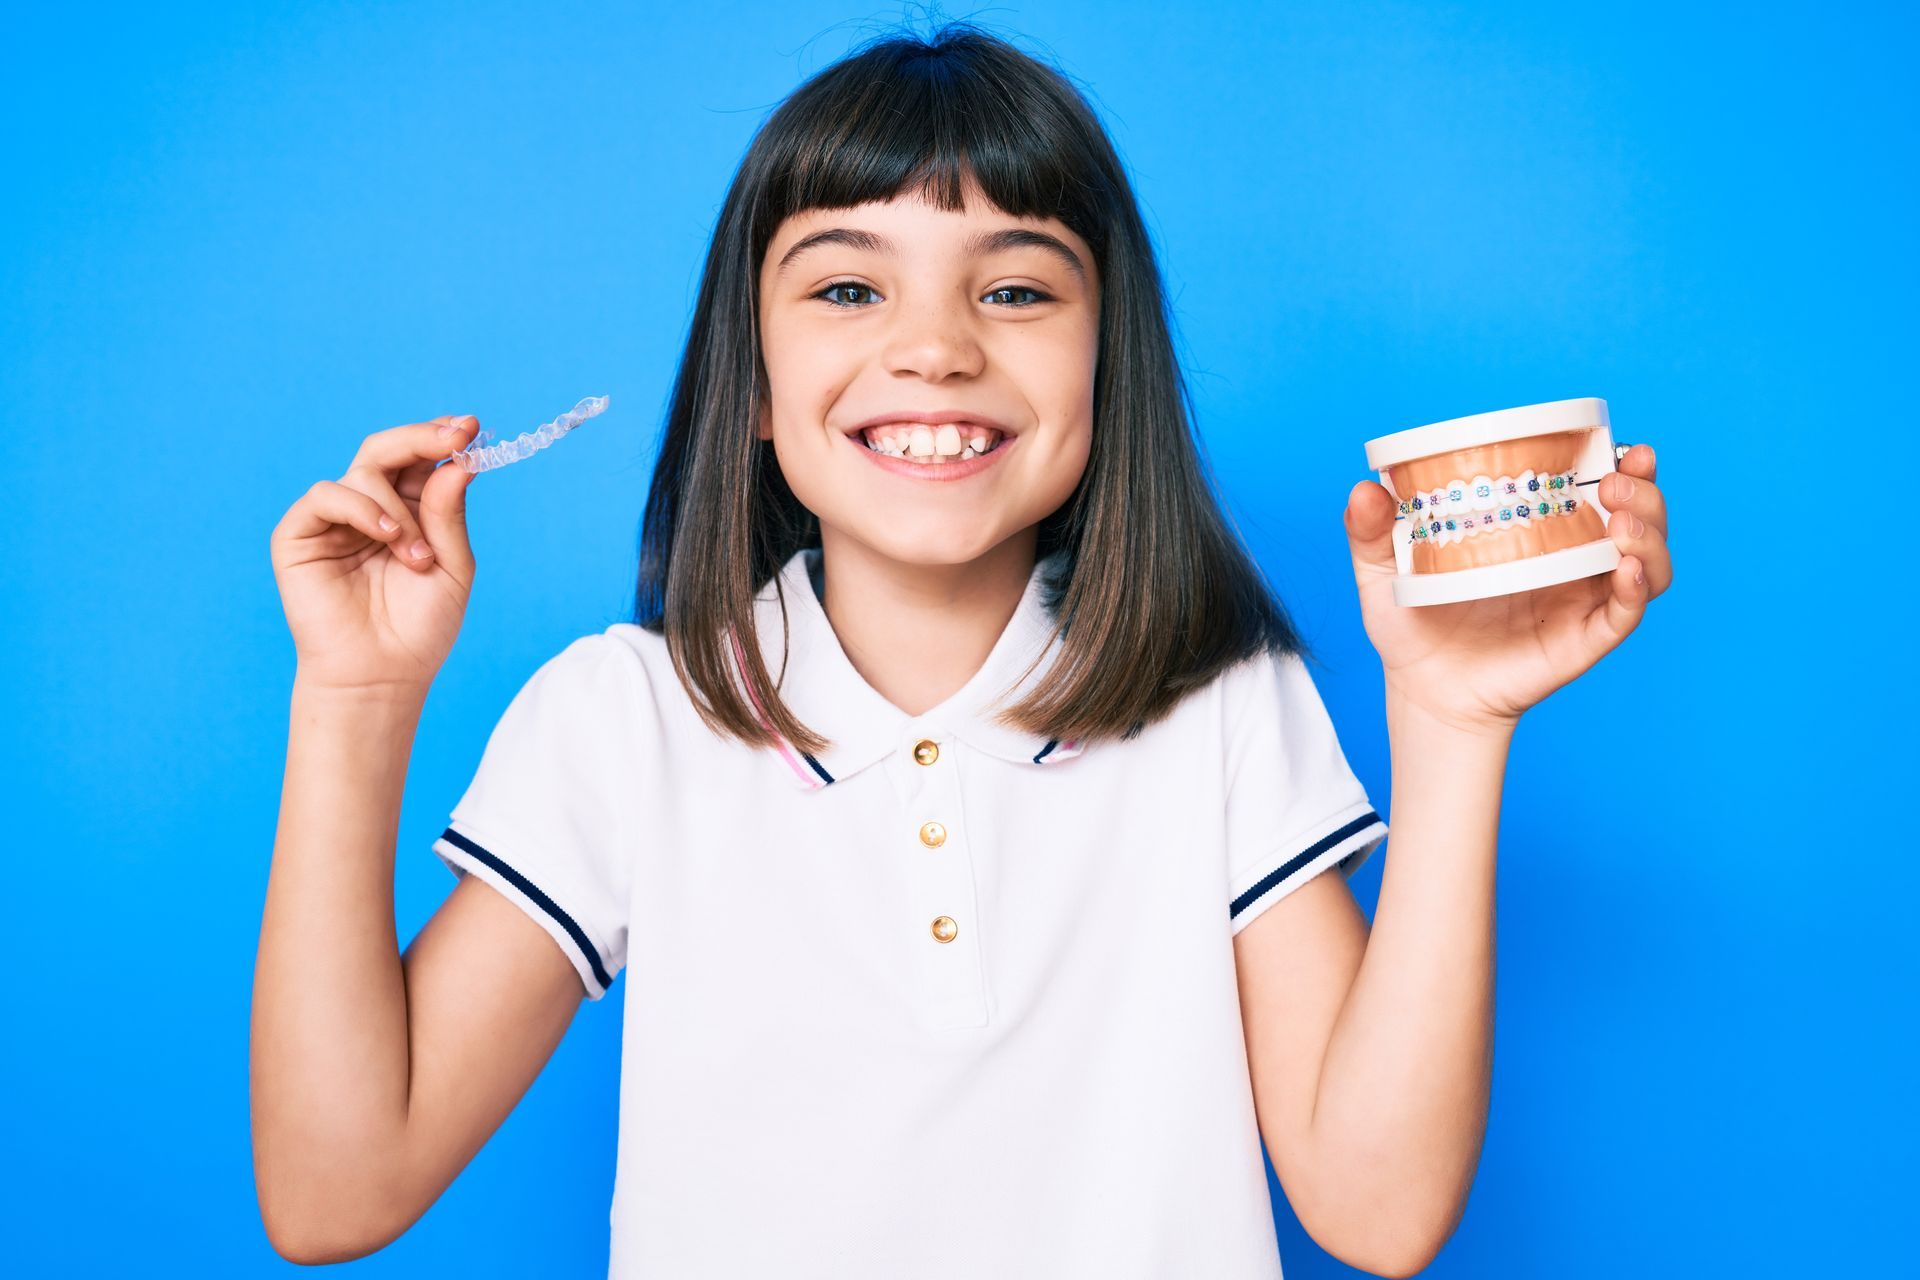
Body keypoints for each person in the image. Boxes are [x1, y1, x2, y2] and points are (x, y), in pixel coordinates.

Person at [252, 21, 1673, 1279]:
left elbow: (1379, 1215)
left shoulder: (1224, 704)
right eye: (848, 289)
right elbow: (334, 1192)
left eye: (1015, 289)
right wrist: (357, 691)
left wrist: (1452, 724)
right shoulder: (626, 721)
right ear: (750, 386)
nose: (933, 349)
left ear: (1105, 372)